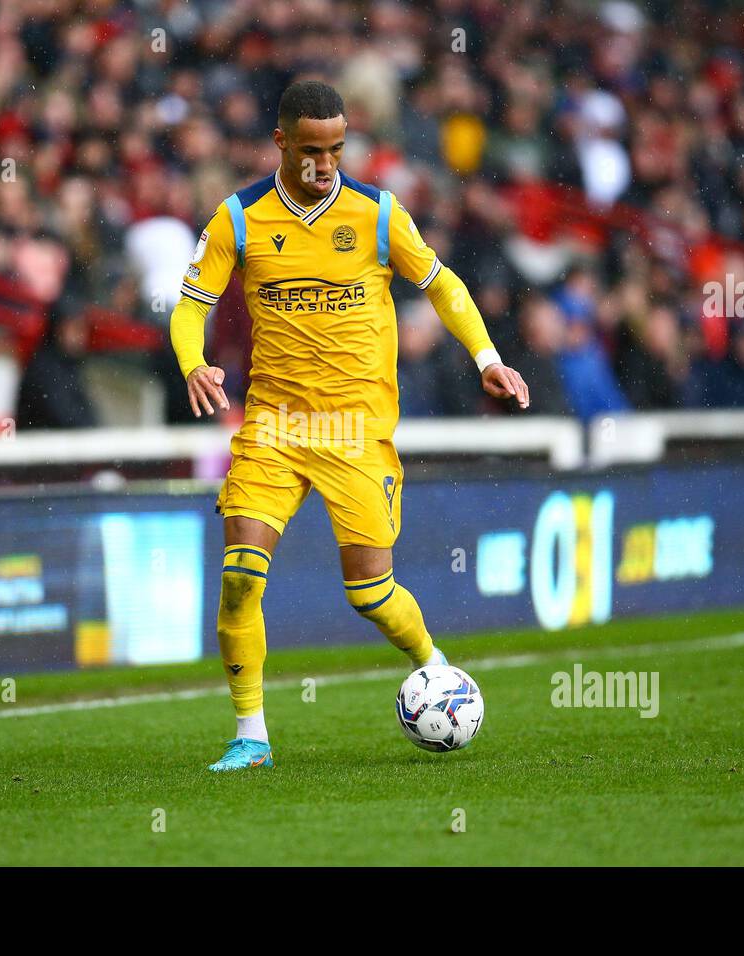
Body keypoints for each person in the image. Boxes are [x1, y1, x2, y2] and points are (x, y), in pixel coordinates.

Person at [168, 81, 529, 772]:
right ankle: (252, 735)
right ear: (280, 143)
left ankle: (434, 665)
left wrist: (486, 356)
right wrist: (194, 362)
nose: (325, 163)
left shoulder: (376, 214)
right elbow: (189, 307)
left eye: (336, 148)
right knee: (241, 576)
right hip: (273, 426)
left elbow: (444, 284)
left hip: (356, 431)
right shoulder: (238, 219)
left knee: (369, 594)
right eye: (311, 150)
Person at [15, 301, 99, 429]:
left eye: (83, 330)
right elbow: (65, 417)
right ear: (58, 329)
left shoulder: (69, 367)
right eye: (75, 329)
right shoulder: (43, 368)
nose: (81, 337)